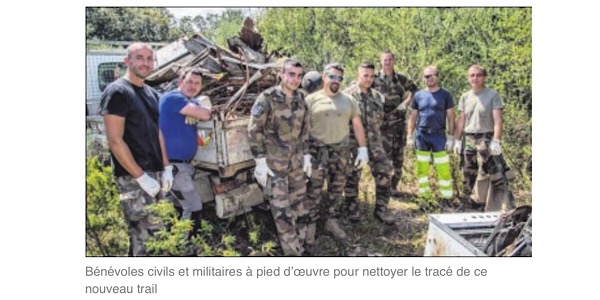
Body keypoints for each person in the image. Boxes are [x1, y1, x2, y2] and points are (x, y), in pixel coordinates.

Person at [99, 42, 174, 256]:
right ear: (127, 61)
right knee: (144, 240)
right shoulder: (117, 92)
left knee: (160, 234)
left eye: (150, 59)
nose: (146, 63)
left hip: (155, 172)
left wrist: (166, 167)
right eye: (139, 58)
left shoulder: (152, 93)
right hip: (134, 178)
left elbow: (157, 131)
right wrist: (140, 177)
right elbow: (115, 140)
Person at [247, 59, 311, 256]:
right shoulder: (267, 98)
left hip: (297, 164)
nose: (295, 79)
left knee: (300, 209)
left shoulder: (302, 98)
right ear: (282, 74)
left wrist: (307, 154)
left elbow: (305, 130)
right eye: (291, 74)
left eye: (299, 76)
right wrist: (259, 160)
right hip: (275, 166)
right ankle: (293, 255)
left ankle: (300, 246)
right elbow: (254, 129)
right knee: (282, 212)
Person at [303, 62, 369, 246]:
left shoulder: (349, 100)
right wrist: (305, 153)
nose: (336, 81)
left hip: (340, 152)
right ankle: (311, 225)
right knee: (314, 191)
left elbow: (357, 125)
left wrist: (363, 149)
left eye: (339, 78)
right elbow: (302, 128)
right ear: (324, 77)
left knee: (336, 189)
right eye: (332, 76)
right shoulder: (311, 100)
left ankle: (330, 221)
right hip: (317, 152)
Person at [159, 67, 212, 236]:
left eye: (197, 83)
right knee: (193, 205)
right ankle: (186, 248)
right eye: (189, 81)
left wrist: (196, 108)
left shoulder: (186, 101)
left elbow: (197, 107)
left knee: (172, 207)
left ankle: (170, 244)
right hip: (174, 165)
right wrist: (202, 111)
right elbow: (205, 114)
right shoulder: (173, 98)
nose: (193, 86)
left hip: (182, 166)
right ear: (179, 82)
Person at [453, 64, 512, 212]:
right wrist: (457, 140)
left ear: (484, 77)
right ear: (468, 78)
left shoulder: (492, 95)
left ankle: (499, 206)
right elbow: (461, 120)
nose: (475, 78)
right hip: (469, 140)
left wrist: (496, 140)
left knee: (490, 174)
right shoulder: (465, 97)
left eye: (478, 75)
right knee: (468, 173)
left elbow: (498, 120)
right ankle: (471, 205)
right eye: (472, 75)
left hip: (486, 139)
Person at [343, 62, 395, 225]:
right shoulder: (346, 96)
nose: (369, 79)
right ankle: (351, 208)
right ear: (358, 74)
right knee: (352, 176)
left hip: (375, 143)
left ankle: (381, 210)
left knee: (385, 173)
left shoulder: (378, 97)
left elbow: (381, 122)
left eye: (372, 76)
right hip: (353, 143)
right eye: (365, 75)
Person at [406, 65, 455, 205]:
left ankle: (446, 198)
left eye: (433, 75)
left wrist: (451, 137)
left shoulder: (445, 95)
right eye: (427, 76)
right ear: (423, 78)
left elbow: (451, 117)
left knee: (443, 169)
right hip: (422, 136)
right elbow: (413, 116)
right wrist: (410, 136)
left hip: (439, 136)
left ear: (438, 77)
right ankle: (425, 199)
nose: (430, 78)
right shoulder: (419, 95)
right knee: (422, 169)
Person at [372, 50, 419, 198]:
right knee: (382, 158)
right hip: (381, 126)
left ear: (394, 61)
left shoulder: (400, 79)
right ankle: (381, 188)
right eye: (384, 60)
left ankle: (393, 187)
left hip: (398, 123)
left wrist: (406, 103)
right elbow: (360, 88)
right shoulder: (373, 79)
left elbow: (415, 89)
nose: (387, 63)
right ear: (380, 61)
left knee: (398, 158)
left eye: (390, 60)